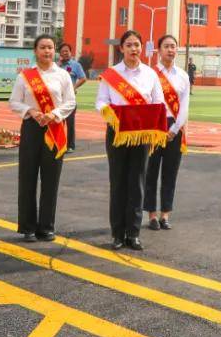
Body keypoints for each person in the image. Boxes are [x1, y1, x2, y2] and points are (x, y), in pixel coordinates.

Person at [96, 30, 165, 250]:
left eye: (137, 44)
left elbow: (159, 102)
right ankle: (117, 233)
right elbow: (101, 102)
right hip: (118, 133)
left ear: (142, 47)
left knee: (138, 183)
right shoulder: (111, 74)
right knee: (118, 182)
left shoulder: (150, 74)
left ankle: (133, 233)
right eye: (129, 45)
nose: (133, 49)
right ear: (121, 48)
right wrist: (112, 114)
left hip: (141, 134)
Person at [10, 35, 76, 242]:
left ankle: (46, 227)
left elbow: (70, 102)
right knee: (28, 177)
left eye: (50, 47)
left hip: (54, 130)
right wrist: (31, 110)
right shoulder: (25, 76)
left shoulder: (62, 75)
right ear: (35, 51)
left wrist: (53, 114)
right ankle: (28, 227)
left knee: (51, 180)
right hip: (32, 128)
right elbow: (14, 102)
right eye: (42, 48)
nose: (47, 51)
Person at [144, 35, 190, 231]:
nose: (170, 50)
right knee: (151, 172)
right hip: (154, 126)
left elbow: (185, 105)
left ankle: (165, 214)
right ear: (159, 50)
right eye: (166, 46)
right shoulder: (150, 73)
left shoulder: (183, 76)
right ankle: (152, 215)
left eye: (173, 46)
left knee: (170, 172)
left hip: (175, 127)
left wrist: (173, 130)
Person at [58, 43, 87, 153]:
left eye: (67, 51)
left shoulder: (76, 65)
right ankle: (58, 143)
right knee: (58, 122)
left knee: (70, 123)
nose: (65, 53)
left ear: (70, 52)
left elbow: (83, 78)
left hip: (69, 99)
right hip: (57, 99)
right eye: (63, 51)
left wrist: (73, 87)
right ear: (60, 53)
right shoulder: (56, 66)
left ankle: (70, 146)